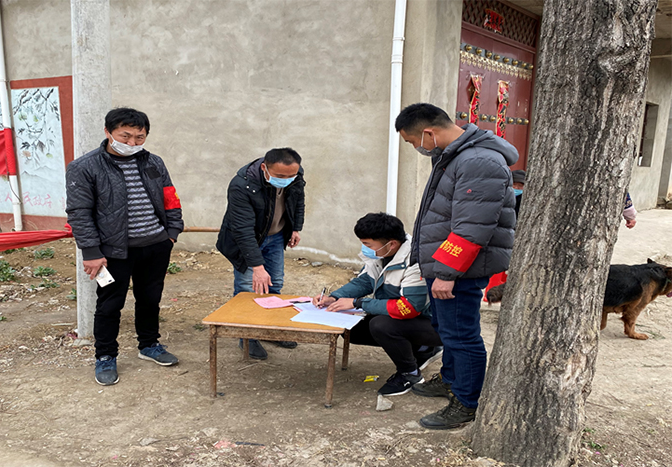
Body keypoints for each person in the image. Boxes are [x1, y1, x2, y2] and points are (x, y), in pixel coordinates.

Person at [395, 103, 517, 430]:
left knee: (461, 335)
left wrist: (447, 273)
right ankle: (450, 379)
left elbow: (472, 226)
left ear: (429, 133)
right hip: (447, 263)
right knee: (448, 329)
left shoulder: (479, 161)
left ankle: (466, 402)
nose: (416, 148)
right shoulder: (454, 155)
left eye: (412, 142)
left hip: (462, 269)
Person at [66, 107, 184, 386]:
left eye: (139, 137)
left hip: (155, 245)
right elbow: (79, 213)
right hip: (112, 252)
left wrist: (172, 233)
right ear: (108, 132)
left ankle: (149, 345)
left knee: (150, 299)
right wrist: (91, 252)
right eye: (125, 136)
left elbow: (170, 198)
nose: (132, 143)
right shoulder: (85, 167)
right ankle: (105, 356)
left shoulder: (153, 162)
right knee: (109, 305)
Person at [313, 213, 443, 396]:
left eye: (368, 245)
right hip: (410, 319)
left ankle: (410, 374)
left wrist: (358, 303)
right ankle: (423, 349)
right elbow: (365, 281)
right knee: (352, 329)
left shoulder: (415, 262)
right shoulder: (382, 254)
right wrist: (334, 297)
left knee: (381, 325)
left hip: (434, 325)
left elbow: (409, 308)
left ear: (392, 244)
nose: (365, 249)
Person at [216, 148, 305, 360]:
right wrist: (257, 266)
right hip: (247, 239)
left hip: (276, 236)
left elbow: (298, 201)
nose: (286, 180)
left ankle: (270, 329)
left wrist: (295, 228)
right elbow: (242, 229)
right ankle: (248, 337)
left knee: (275, 285)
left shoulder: (295, 175)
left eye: (291, 176)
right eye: (280, 176)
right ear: (265, 168)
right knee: (247, 289)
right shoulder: (242, 185)